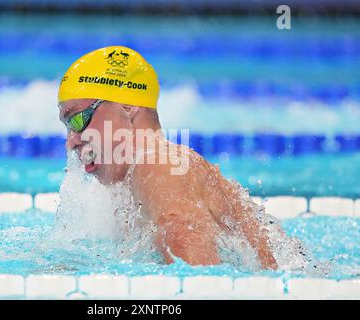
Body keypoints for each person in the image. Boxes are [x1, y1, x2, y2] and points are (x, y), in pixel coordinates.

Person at [57, 46, 278, 269]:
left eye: (77, 120)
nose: (71, 141)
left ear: (127, 106)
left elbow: (200, 281)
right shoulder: (136, 180)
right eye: (67, 127)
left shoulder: (159, 164)